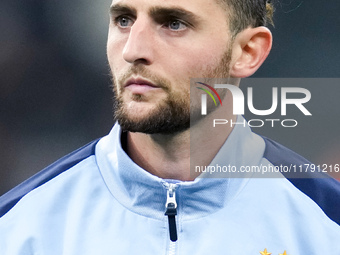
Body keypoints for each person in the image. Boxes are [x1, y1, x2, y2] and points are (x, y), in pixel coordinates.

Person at [0, 0, 339, 254]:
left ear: (247, 51)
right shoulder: (18, 229)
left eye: (174, 24)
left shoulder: (327, 224)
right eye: (123, 20)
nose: (134, 49)